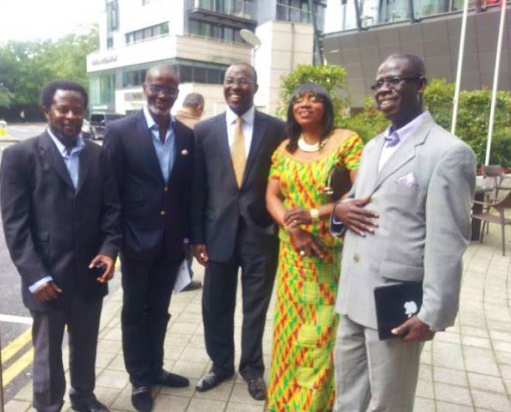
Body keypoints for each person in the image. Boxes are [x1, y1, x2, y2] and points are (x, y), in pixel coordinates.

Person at [332, 53, 476, 411]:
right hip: (353, 293)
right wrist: (337, 213)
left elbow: (448, 241)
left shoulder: (448, 152)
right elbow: (357, 205)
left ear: (421, 85)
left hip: (397, 301)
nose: (384, 89)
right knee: (348, 395)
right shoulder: (371, 147)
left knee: (388, 402)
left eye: (394, 80)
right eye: (378, 83)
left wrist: (432, 313)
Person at [0, 80, 121, 412]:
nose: (70, 115)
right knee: (47, 353)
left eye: (77, 110)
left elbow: (112, 209)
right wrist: (34, 275)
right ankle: (48, 406)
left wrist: (110, 250)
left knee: (85, 345)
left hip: (89, 274)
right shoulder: (19, 156)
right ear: (46, 111)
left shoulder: (99, 155)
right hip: (47, 278)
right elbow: (15, 224)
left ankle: (83, 397)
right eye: (62, 109)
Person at [265, 83, 363, 411]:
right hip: (293, 255)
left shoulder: (345, 141)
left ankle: (315, 403)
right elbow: (272, 196)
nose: (304, 104)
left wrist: (315, 213)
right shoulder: (284, 149)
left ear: (327, 107)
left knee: (323, 331)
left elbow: (361, 189)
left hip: (329, 253)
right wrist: (293, 228)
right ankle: (284, 401)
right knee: (291, 330)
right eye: (298, 100)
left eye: (314, 99)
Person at [191, 62, 286, 400]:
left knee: (255, 307)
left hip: (261, 234)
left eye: (243, 81)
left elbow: (287, 181)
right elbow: (197, 188)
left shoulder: (278, 130)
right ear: (223, 86)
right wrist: (196, 236)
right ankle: (220, 364)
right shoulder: (204, 131)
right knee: (215, 304)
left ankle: (252, 369)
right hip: (217, 234)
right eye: (230, 81)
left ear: (255, 88)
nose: (235, 86)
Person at [104, 65, 193, 412]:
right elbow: (110, 192)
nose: (163, 95)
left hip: (171, 243)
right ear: (145, 88)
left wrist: (189, 237)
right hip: (136, 240)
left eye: (170, 90)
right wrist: (114, 242)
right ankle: (139, 379)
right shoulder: (120, 131)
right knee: (134, 312)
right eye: (157, 88)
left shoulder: (186, 135)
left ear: (177, 93)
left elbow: (186, 191)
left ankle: (155, 368)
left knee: (160, 310)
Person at [174, 92, 205, 291]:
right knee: (188, 237)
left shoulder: (170, 122)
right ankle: (185, 278)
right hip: (190, 197)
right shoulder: (199, 129)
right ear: (199, 107)